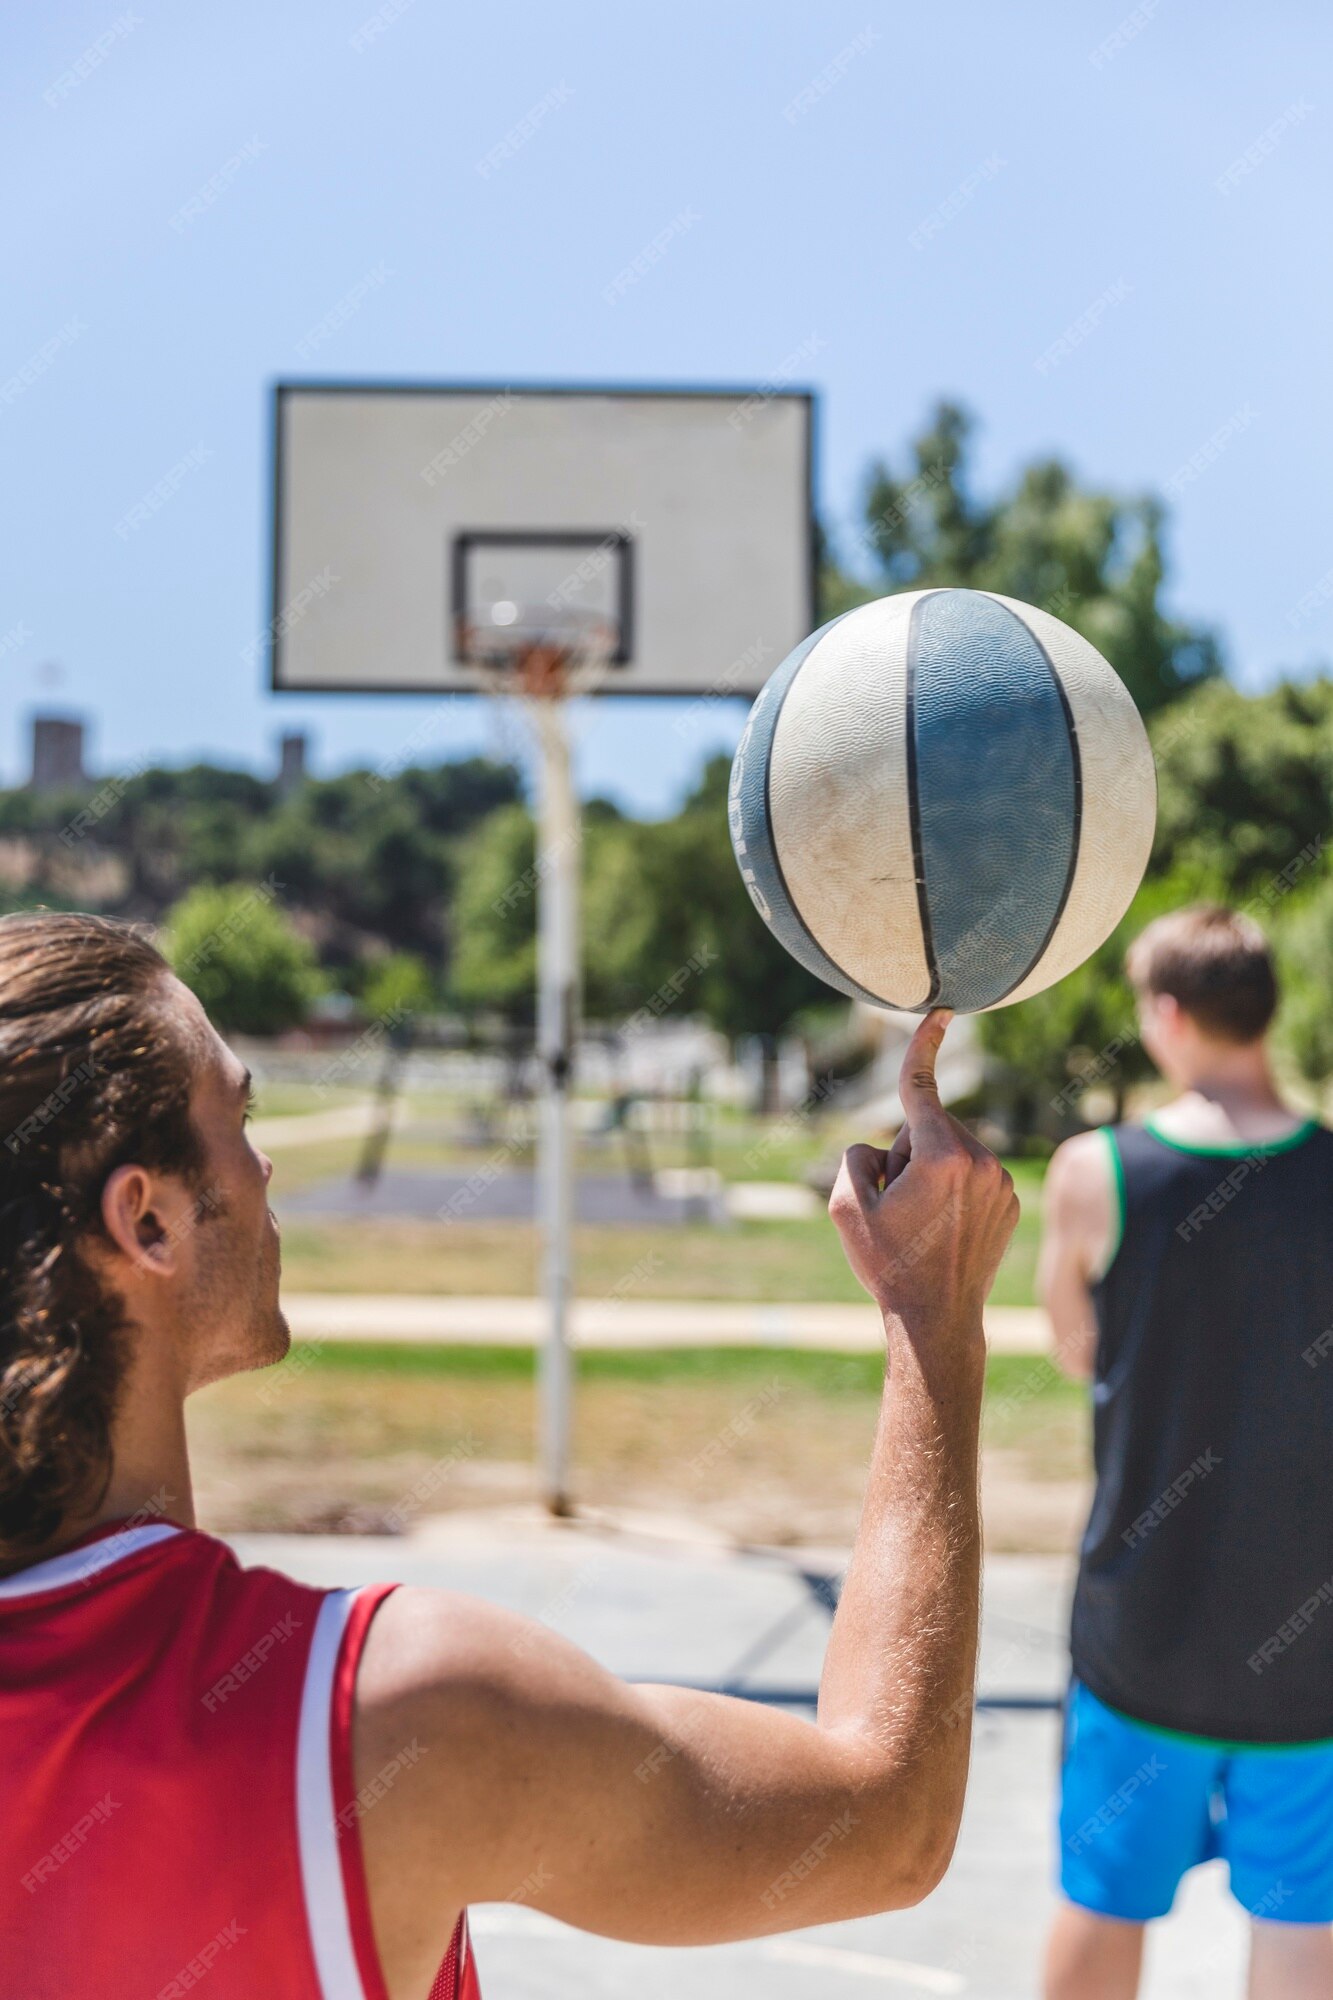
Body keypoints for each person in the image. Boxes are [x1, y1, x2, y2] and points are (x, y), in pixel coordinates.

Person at [0, 912, 1016, 2000]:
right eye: (237, 1116)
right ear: (146, 1221)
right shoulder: (389, 1714)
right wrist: (931, 1319)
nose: (264, 1162)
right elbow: (885, 1817)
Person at [1039, 905, 1333, 2000]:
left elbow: (1074, 1348)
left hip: (1143, 1619)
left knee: (1104, 1895)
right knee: (1304, 1921)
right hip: (1311, 1633)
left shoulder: (1096, 1170)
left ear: (1167, 1014)